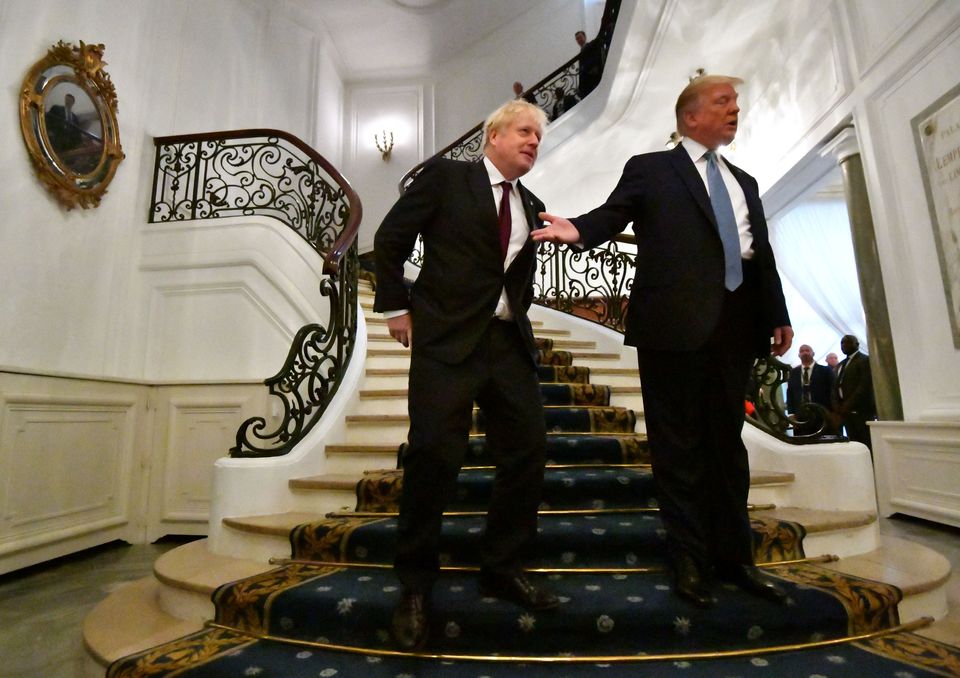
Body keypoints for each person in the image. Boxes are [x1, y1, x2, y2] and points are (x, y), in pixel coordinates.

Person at [532, 75, 794, 608]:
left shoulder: (744, 181)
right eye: (724, 102)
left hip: (736, 326)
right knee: (678, 450)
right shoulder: (651, 168)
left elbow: (758, 253)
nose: (735, 110)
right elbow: (612, 214)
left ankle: (735, 560)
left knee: (727, 447)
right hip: (672, 326)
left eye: (736, 103)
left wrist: (777, 314)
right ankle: (689, 562)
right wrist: (576, 230)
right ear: (691, 116)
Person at [374, 99, 557, 651]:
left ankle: (501, 565)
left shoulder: (534, 204)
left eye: (539, 136)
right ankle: (414, 586)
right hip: (446, 341)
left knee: (527, 451)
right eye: (525, 131)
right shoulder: (448, 178)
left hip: (506, 344)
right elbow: (390, 238)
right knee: (433, 457)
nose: (533, 141)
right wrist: (396, 307)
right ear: (494, 134)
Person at [834, 334, 876, 449]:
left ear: (857, 344)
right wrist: (838, 405)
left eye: (847, 342)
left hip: (861, 411)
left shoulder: (864, 360)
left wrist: (848, 404)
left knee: (866, 443)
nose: (843, 345)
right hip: (846, 412)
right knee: (853, 443)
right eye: (841, 343)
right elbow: (837, 385)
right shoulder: (841, 364)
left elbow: (864, 385)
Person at [786, 344, 835, 435]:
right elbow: (790, 393)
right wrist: (791, 414)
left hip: (821, 414)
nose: (804, 353)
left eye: (807, 350)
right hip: (800, 416)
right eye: (802, 351)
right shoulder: (793, 372)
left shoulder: (825, 371)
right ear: (799, 355)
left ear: (813, 353)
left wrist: (832, 413)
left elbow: (832, 392)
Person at [575, 30, 604, 100]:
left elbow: (595, 58)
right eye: (577, 39)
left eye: (580, 37)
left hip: (592, 79)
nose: (579, 40)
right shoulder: (581, 52)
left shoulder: (591, 46)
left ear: (585, 37)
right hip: (586, 82)